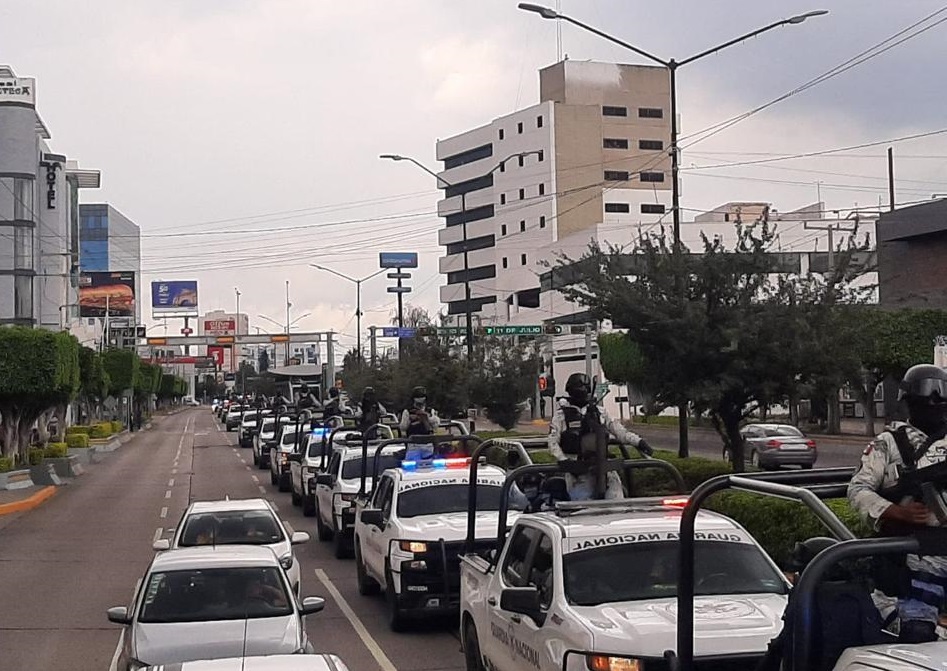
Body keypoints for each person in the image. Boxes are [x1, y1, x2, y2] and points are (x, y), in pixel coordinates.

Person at [848, 363, 947, 643]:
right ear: (910, 403)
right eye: (928, 399)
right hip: (914, 556)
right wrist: (897, 512)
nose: (936, 404)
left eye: (941, 400)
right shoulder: (888, 444)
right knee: (917, 634)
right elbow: (857, 490)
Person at [548, 373, 653, 500]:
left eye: (586, 388)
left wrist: (638, 442)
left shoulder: (599, 412)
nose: (584, 392)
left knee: (616, 504)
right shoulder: (561, 416)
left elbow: (620, 432)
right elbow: (553, 442)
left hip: (603, 468)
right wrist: (565, 461)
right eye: (580, 389)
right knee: (582, 509)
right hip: (577, 472)